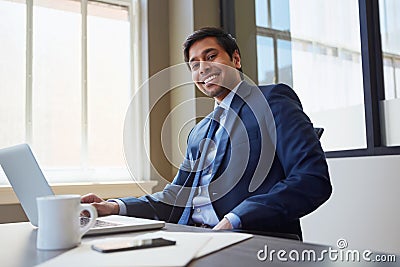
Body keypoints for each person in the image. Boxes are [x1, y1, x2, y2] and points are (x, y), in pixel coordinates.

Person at [82, 27, 332, 239]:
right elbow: (175, 196)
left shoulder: (272, 100)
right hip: (189, 237)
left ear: (236, 59)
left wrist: (237, 218)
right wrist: (113, 207)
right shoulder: (198, 131)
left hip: (248, 240)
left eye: (211, 56)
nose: (202, 68)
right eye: (194, 65)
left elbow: (312, 178)